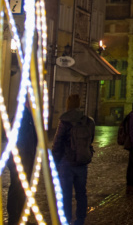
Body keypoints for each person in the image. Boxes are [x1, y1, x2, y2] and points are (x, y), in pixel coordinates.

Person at [51, 94, 95, 224]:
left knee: (66, 194)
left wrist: (55, 161)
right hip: (82, 162)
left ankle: (67, 219)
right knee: (81, 193)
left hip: (67, 162)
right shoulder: (88, 121)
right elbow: (90, 140)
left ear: (68, 104)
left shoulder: (64, 120)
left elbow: (57, 142)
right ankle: (80, 219)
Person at [6, 106, 38, 225]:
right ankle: (14, 218)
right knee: (17, 188)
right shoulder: (22, 117)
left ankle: (20, 217)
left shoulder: (30, 117)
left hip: (26, 158)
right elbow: (19, 139)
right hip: (20, 159)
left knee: (23, 189)